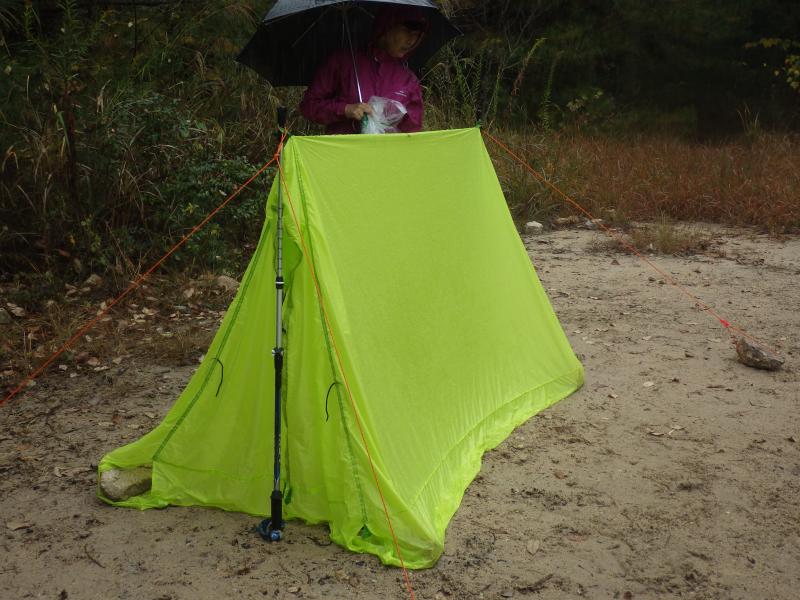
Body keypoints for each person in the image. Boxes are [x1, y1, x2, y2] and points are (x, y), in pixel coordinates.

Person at [299, 6, 429, 134]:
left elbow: (413, 131)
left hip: (386, 148)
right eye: (406, 32)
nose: (411, 41)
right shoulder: (343, 62)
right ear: (387, 25)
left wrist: (397, 119)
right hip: (343, 147)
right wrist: (345, 110)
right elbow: (309, 106)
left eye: (417, 35)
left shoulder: (408, 80)